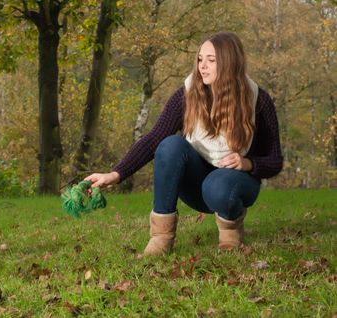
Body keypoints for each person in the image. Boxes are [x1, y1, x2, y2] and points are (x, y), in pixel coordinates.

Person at [85, 31, 283, 255]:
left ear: (229, 62)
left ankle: (231, 233)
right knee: (170, 145)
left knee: (217, 186)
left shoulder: (258, 100)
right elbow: (153, 139)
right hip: (197, 188)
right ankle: (161, 238)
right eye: (200, 59)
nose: (202, 66)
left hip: (234, 186)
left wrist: (247, 163)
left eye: (211, 60)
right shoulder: (188, 95)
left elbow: (275, 161)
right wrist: (115, 174)